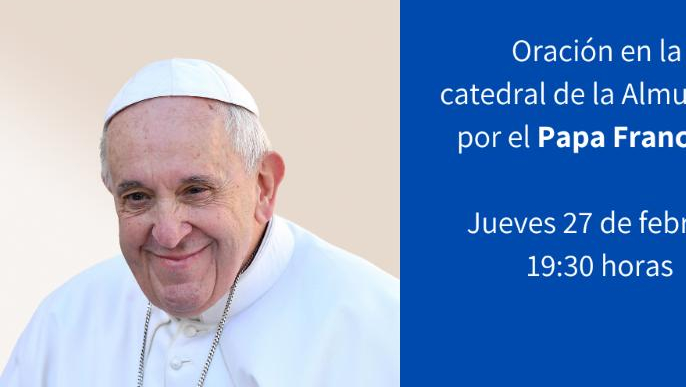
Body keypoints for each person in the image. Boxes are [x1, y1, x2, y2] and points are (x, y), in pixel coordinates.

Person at [0, 58, 399, 386]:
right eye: (137, 198)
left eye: (195, 191)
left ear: (263, 187)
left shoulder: (388, 327)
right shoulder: (64, 322)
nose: (169, 234)